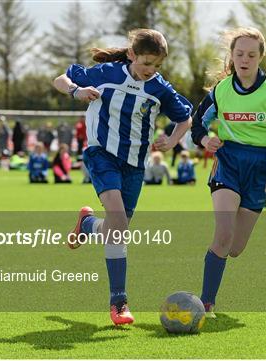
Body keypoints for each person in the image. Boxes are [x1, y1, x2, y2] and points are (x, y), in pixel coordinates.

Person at [53, 28, 192, 325]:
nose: (150, 71)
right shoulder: (107, 73)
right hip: (102, 155)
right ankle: (119, 302)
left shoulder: (159, 89)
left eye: (156, 66)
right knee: (118, 224)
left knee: (117, 229)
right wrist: (76, 91)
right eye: (145, 64)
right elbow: (60, 79)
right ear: (131, 55)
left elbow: (185, 118)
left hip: (135, 166)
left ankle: (87, 224)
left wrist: (171, 139)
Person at [191, 27, 266, 317]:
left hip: (260, 170)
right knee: (223, 236)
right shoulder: (220, 91)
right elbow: (197, 124)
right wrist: (205, 140)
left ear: (261, 57)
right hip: (228, 163)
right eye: (239, 54)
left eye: (251, 54)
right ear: (232, 57)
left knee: (235, 248)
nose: (244, 59)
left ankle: (212, 283)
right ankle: (206, 303)